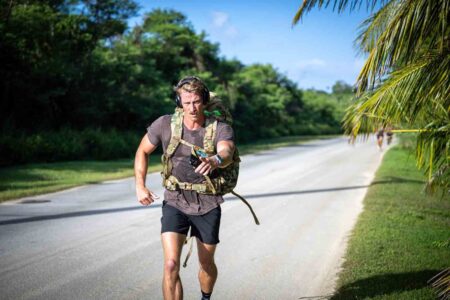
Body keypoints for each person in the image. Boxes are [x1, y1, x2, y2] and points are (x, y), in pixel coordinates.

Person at [134, 76, 235, 300]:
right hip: (175, 200)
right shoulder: (165, 124)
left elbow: (226, 151)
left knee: (206, 264)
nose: (192, 107)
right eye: (186, 102)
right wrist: (140, 186)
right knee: (170, 264)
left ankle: (205, 298)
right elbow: (142, 151)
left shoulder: (220, 128)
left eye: (197, 101)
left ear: (205, 100)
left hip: (208, 202)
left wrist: (216, 160)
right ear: (179, 101)